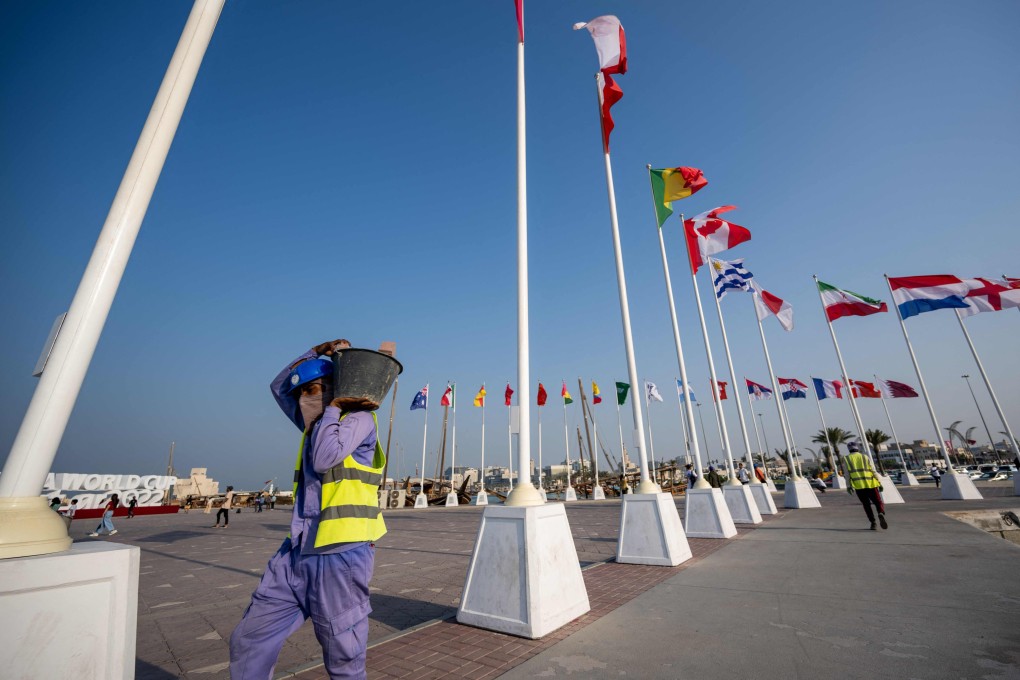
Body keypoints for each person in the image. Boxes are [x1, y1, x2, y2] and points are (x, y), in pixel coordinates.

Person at [230, 339, 387, 679]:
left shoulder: (359, 418)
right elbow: (279, 386)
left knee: (344, 656)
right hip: (296, 553)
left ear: (335, 390)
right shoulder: (314, 426)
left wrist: (334, 407)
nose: (306, 397)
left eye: (316, 389)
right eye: (304, 392)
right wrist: (316, 352)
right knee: (250, 639)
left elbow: (326, 456)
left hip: (340, 556)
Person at [843, 443, 887, 530]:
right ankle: (880, 512)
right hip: (871, 483)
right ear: (857, 449)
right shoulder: (865, 457)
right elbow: (873, 471)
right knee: (878, 501)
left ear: (849, 449)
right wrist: (880, 482)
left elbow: (847, 474)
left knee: (866, 505)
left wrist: (848, 486)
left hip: (859, 486)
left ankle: (873, 523)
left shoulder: (846, 459)